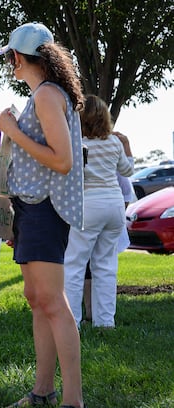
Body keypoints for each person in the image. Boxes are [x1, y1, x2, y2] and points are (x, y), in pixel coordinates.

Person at [0, 22, 88, 408]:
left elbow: (62, 160)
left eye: (9, 57)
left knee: (53, 303)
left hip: (46, 210)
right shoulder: (45, 94)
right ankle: (42, 390)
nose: (9, 64)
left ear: (18, 57)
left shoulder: (48, 95)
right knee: (38, 300)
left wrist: (12, 131)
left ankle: (74, 403)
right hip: (33, 209)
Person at [64, 95, 134, 329]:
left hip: (88, 206)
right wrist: (127, 146)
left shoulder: (78, 145)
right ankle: (105, 322)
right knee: (105, 265)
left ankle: (73, 321)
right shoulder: (114, 143)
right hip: (114, 206)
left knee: (74, 265)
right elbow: (128, 170)